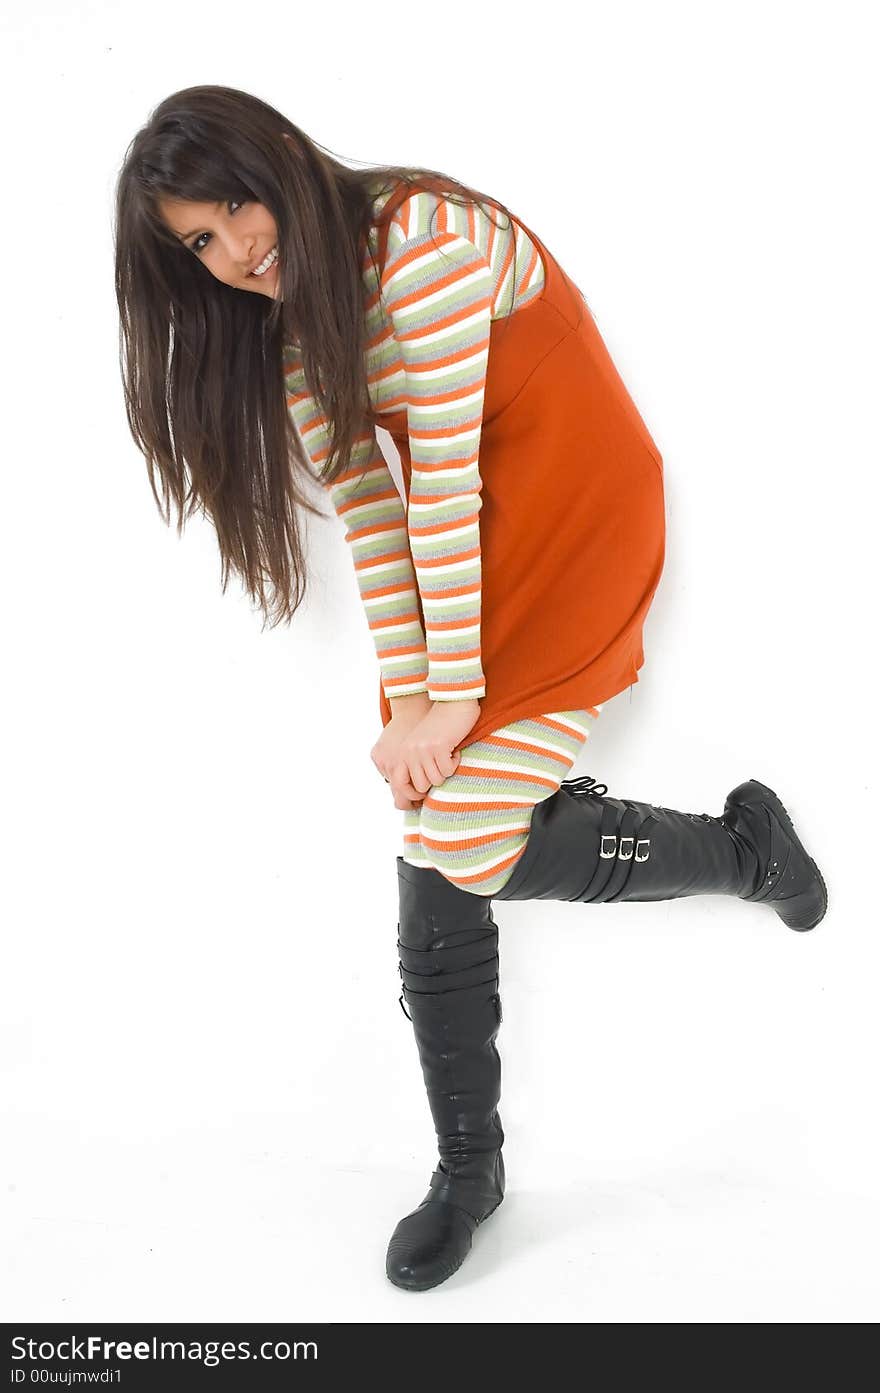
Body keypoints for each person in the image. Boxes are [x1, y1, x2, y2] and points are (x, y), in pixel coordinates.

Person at [114, 83, 828, 1295]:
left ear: (282, 156)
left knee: (470, 840)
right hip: (478, 555)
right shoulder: (298, 335)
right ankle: (468, 1174)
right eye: (199, 242)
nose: (234, 250)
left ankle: (744, 852)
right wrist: (412, 711)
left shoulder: (425, 240)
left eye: (234, 204)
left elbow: (439, 477)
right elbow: (379, 520)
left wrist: (451, 701)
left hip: (581, 512)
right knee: (432, 818)